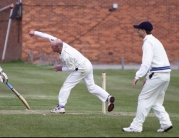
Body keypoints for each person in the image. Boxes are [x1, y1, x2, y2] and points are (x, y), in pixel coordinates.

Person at [28, 30, 115, 114]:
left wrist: (61, 68)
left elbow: (71, 68)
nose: (51, 47)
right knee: (91, 87)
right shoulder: (58, 42)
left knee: (66, 87)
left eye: (52, 47)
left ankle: (60, 107)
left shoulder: (67, 56)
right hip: (87, 64)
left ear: (58, 47)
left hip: (81, 68)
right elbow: (47, 36)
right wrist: (34, 32)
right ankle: (108, 97)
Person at [122, 21, 173, 133]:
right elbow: (156, 61)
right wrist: (147, 76)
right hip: (165, 75)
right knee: (155, 101)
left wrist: (137, 76)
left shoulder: (148, 42)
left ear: (143, 31)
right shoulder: (155, 41)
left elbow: (147, 62)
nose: (137, 31)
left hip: (158, 75)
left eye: (138, 29)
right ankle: (166, 123)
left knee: (143, 99)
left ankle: (136, 126)